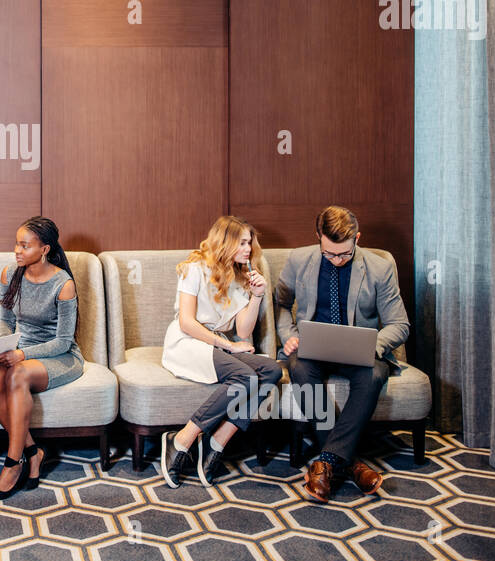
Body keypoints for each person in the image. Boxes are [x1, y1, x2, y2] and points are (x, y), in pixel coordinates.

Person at [275, 205, 410, 502]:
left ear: (357, 239)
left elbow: (400, 324)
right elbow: (281, 303)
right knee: (299, 368)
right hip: (312, 349)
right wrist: (290, 336)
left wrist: (371, 345)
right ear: (318, 238)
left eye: (344, 254)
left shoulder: (379, 267)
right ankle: (350, 464)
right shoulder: (299, 260)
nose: (337, 260)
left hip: (361, 351)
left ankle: (325, 464)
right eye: (330, 253)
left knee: (374, 374)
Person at [158, 216, 284, 488]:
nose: (248, 249)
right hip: (187, 342)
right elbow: (187, 322)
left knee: (272, 369)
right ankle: (181, 439)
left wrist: (257, 296)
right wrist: (227, 345)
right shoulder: (194, 268)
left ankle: (218, 441)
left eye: (250, 242)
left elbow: (243, 330)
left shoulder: (242, 275)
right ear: (224, 242)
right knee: (246, 377)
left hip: (218, 343)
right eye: (241, 243)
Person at [0, 216, 84, 500]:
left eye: (25, 246)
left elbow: (63, 341)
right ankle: (33, 453)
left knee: (18, 374)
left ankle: (13, 464)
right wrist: (3, 346)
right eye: (16, 243)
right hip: (19, 351)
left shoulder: (63, 284)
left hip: (58, 356)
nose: (17, 250)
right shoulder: (10, 273)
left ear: (45, 249)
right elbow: (5, 320)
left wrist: (21, 354)